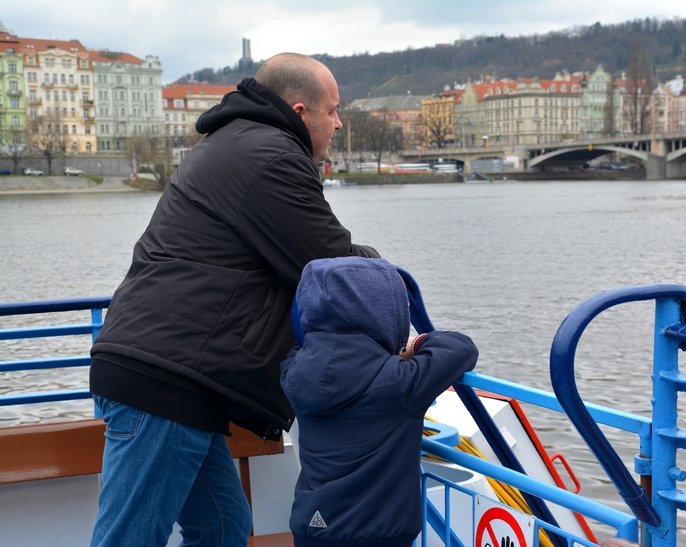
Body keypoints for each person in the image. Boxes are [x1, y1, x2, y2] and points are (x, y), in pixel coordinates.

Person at [87, 53, 379, 546]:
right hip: (165, 379)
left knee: (223, 528)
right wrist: (384, 272)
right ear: (302, 110)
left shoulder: (236, 142)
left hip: (173, 373)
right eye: (333, 110)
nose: (339, 122)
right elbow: (330, 264)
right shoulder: (271, 157)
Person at [280, 256, 479, 547]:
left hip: (311, 527)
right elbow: (460, 348)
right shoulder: (399, 382)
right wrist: (415, 345)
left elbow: (304, 348)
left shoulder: (294, 372)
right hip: (379, 535)